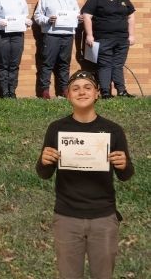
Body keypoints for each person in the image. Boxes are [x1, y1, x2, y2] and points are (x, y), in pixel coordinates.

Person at [36, 70, 134, 279]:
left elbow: (126, 175)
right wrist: (44, 161)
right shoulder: (57, 129)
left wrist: (124, 164)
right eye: (76, 88)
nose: (82, 92)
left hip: (104, 217)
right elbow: (44, 173)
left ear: (97, 93)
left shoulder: (112, 130)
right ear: (68, 95)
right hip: (66, 217)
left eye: (88, 87)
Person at [82, 0, 136, 99]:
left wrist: (132, 35)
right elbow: (87, 16)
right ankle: (105, 92)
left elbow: (131, 16)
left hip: (122, 39)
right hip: (103, 38)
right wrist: (89, 35)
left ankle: (121, 91)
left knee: (118, 64)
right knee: (105, 65)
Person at [33, 0, 80, 98]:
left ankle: (64, 90)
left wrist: (78, 18)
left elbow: (77, 13)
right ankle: (44, 91)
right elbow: (37, 16)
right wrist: (48, 20)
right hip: (51, 35)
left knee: (64, 64)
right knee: (47, 64)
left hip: (68, 35)